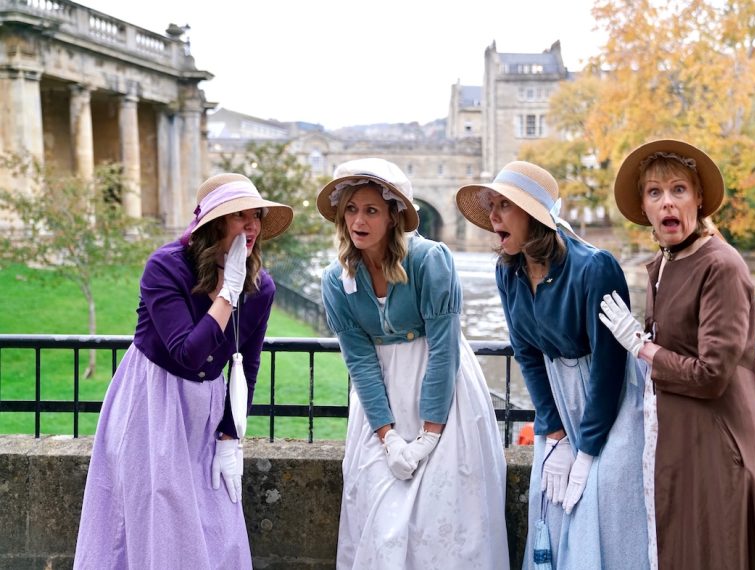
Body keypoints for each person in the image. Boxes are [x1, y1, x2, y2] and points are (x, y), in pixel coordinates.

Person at [74, 173, 293, 569]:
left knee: (217, 522)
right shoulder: (165, 268)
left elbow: (249, 362)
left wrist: (230, 433)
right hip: (152, 400)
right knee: (154, 512)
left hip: (205, 409)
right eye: (239, 215)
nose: (252, 227)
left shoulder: (261, 288)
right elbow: (188, 352)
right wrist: (228, 291)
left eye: (256, 216)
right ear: (214, 223)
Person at [601, 139, 755, 569]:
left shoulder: (720, 265)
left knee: (716, 552)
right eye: (654, 193)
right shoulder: (666, 261)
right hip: (684, 440)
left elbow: (711, 374)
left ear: (699, 198)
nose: (667, 202)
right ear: (645, 207)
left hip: (722, 445)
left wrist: (641, 345)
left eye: (678, 190)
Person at [455, 161, 651, 568]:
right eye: (491, 206)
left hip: (609, 405)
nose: (493, 217)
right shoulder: (507, 271)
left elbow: (609, 367)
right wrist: (557, 435)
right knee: (554, 512)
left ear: (533, 215)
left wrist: (588, 450)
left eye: (503, 206)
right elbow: (527, 354)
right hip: (559, 405)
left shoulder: (595, 268)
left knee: (600, 506)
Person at [318, 158, 509, 569]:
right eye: (351, 209)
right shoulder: (336, 281)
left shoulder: (429, 260)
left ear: (393, 215)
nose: (358, 220)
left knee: (444, 515)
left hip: (443, 395)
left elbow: (443, 350)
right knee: (378, 510)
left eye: (371, 210)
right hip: (380, 403)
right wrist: (387, 436)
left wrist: (429, 434)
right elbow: (360, 361)